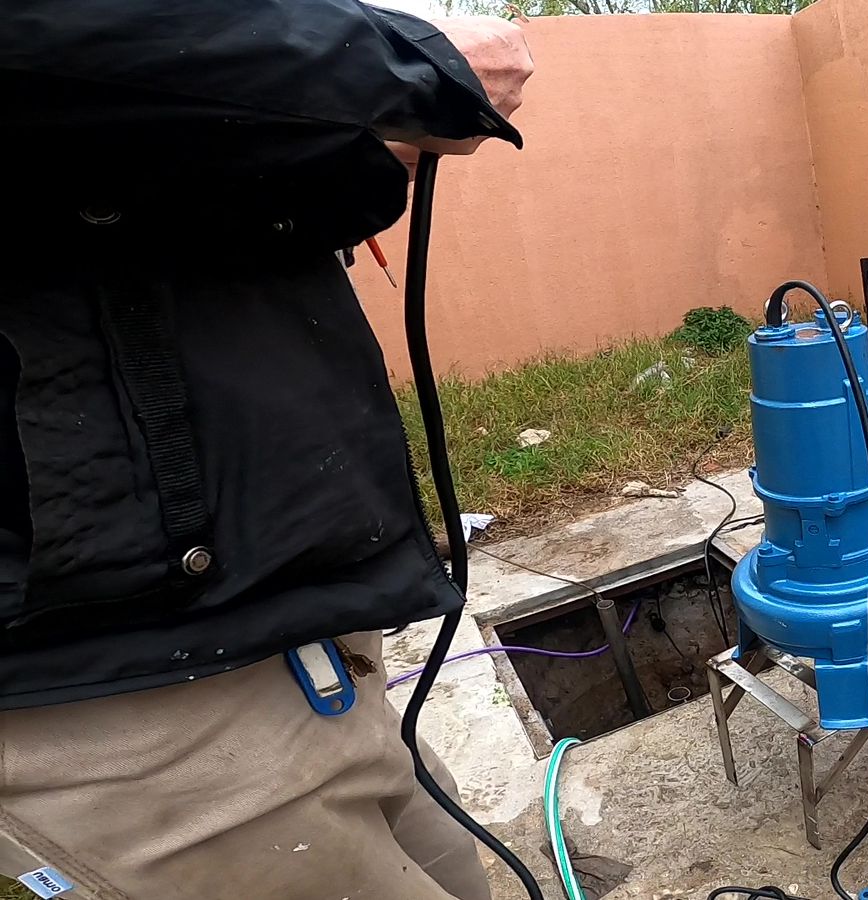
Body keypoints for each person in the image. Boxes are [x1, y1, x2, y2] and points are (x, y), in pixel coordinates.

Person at [0, 4, 535, 898]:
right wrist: (401, 61)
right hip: (122, 678)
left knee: (467, 877)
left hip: (294, 601)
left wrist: (345, 140)